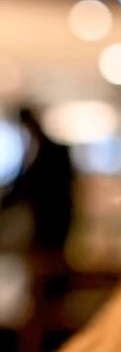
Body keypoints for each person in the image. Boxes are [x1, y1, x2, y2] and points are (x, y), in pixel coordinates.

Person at [0, 106, 75, 258]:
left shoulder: (54, 151)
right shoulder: (36, 148)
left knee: (50, 258)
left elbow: (29, 185)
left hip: (53, 217)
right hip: (43, 218)